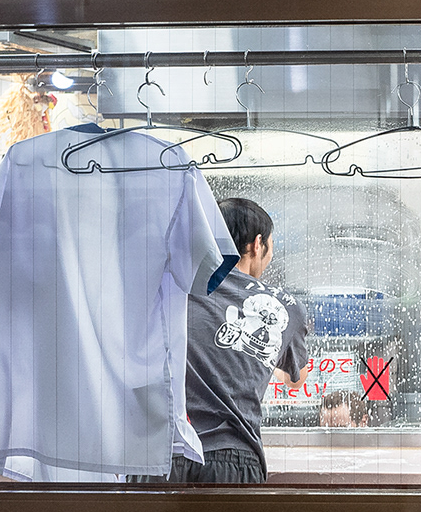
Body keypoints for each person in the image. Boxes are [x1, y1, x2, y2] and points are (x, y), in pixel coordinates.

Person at [132, 196, 310, 484]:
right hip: (233, 457)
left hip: (158, 453)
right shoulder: (285, 305)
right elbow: (296, 379)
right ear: (257, 244)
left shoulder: (171, 286)